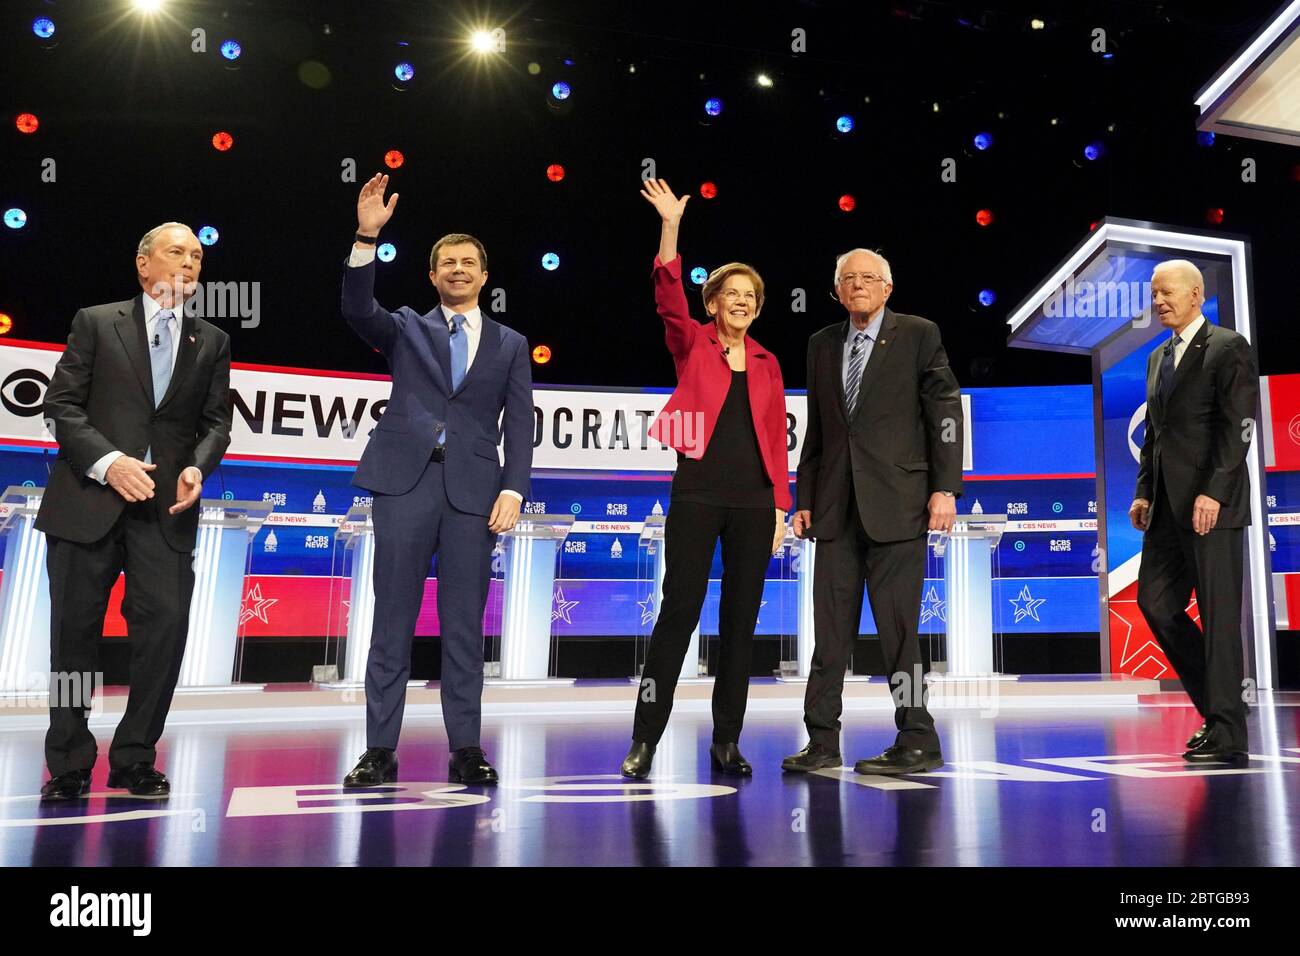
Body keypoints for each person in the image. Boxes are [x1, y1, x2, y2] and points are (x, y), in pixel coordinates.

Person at [340, 174, 533, 788]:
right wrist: (367, 237)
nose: (457, 269)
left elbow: (521, 422)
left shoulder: (510, 344)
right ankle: (379, 751)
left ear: (484, 276)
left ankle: (466, 749)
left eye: (468, 262)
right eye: (446, 262)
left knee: (464, 627)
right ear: (431, 276)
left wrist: (513, 487)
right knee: (391, 619)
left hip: (476, 496)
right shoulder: (405, 328)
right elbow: (356, 309)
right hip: (404, 486)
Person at [36, 222, 232, 801]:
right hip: (88, 501)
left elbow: (216, 422)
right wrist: (108, 461)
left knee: (165, 632)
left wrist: (198, 464)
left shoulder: (213, 341)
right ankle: (69, 762)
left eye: (197, 256)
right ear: (143, 264)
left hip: (166, 511)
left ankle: (136, 757)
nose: (189, 263)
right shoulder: (96, 322)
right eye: (177, 252)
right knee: (74, 638)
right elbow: (61, 406)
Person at [620, 178, 790, 779]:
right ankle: (645, 740)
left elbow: (775, 442)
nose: (741, 302)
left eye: (751, 296)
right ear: (713, 303)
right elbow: (667, 294)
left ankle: (726, 742)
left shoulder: (769, 363)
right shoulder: (691, 342)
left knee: (740, 624)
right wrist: (670, 226)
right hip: (696, 493)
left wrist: (780, 507)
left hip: (754, 503)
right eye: (731, 294)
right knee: (678, 615)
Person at [783, 248, 963, 776]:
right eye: (848, 279)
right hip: (835, 511)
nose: (858, 285)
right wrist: (806, 498)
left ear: (887, 288)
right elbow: (818, 429)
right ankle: (821, 741)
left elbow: (944, 411)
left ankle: (916, 739)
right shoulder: (821, 344)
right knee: (829, 634)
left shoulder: (918, 333)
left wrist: (945, 488)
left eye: (868, 278)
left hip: (899, 507)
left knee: (900, 633)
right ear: (836, 290)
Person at [1130, 259, 1258, 763]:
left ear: (1196, 294)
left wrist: (1215, 491)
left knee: (1219, 618)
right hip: (1165, 509)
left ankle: (1228, 737)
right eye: (1155, 293)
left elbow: (1237, 427)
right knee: (1156, 604)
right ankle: (1219, 709)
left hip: (1212, 508)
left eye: (1168, 292)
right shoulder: (1158, 356)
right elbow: (1155, 437)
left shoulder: (1227, 347)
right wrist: (1144, 491)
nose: (1159, 300)